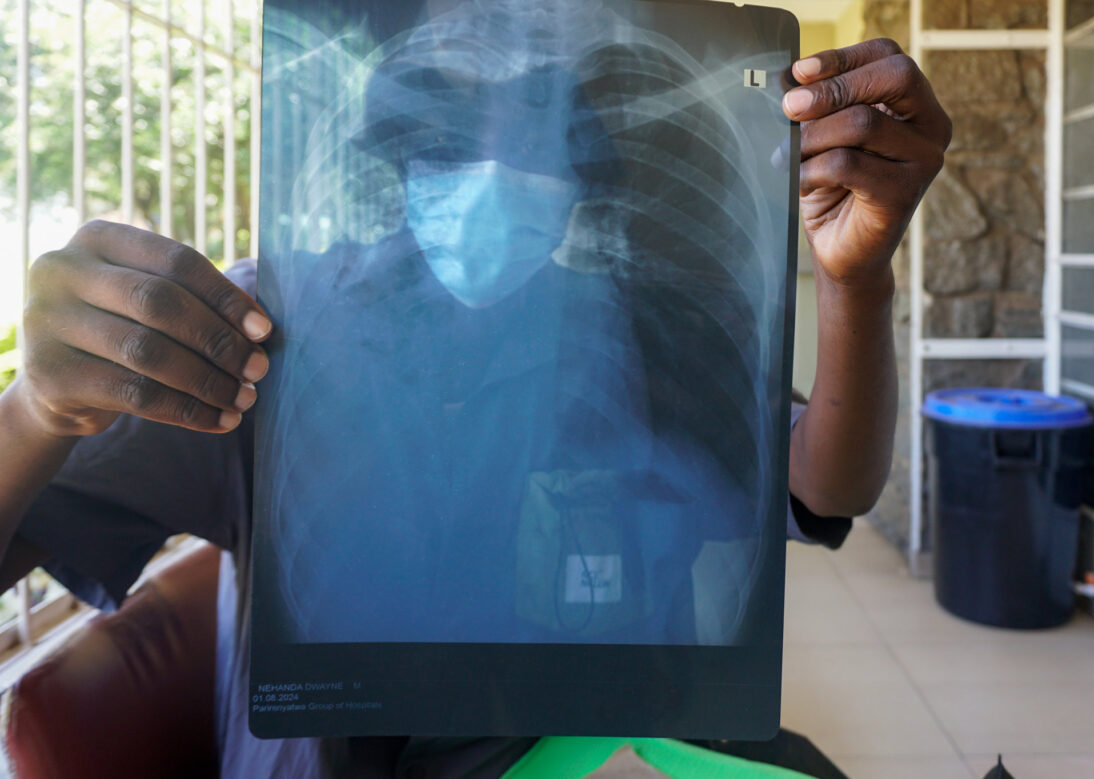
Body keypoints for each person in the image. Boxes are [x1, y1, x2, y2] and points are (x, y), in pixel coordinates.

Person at [0, 38, 950, 778]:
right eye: (449, 143)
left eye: (534, 149)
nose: (492, 184)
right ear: (401, 158)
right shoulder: (263, 333)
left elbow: (827, 485)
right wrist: (37, 410)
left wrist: (856, 286)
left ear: (580, 174)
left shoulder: (641, 329)